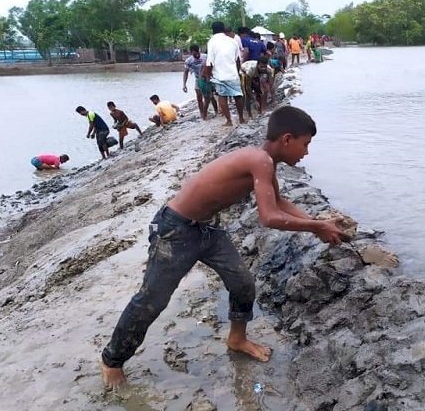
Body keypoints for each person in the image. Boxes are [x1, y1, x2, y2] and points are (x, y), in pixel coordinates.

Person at [99, 106, 346, 389]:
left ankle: (237, 338)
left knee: (242, 283)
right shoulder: (260, 160)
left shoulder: (265, 161)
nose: (306, 152)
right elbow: (269, 217)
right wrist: (317, 228)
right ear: (287, 139)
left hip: (206, 228)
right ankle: (112, 360)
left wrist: (319, 223)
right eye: (306, 144)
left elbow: (279, 202)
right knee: (151, 300)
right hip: (176, 230)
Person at [204, 21, 245, 127]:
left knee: (222, 96)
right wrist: (237, 72)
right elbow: (237, 60)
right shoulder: (233, 41)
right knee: (238, 95)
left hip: (219, 75)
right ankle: (241, 118)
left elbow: (209, 63)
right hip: (233, 74)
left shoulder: (211, 42)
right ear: (223, 29)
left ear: (213, 30)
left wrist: (208, 77)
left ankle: (229, 121)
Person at [183, 44, 219, 120]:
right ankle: (202, 113)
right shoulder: (189, 61)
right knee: (199, 97)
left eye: (196, 53)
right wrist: (184, 84)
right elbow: (186, 72)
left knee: (211, 97)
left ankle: (216, 111)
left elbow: (214, 67)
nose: (196, 55)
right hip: (198, 79)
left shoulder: (205, 57)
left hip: (209, 78)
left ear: (198, 51)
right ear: (191, 53)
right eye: (193, 54)